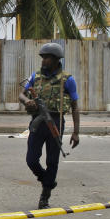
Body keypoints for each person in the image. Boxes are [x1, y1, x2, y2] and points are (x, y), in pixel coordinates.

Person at [18, 42, 80, 208]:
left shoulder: (68, 80)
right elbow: (21, 94)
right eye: (43, 57)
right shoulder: (35, 76)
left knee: (52, 161)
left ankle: (45, 195)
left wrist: (76, 132)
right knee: (31, 159)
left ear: (55, 59)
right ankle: (47, 180)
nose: (43, 60)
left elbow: (74, 106)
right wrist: (27, 101)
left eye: (47, 58)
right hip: (38, 121)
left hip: (56, 121)